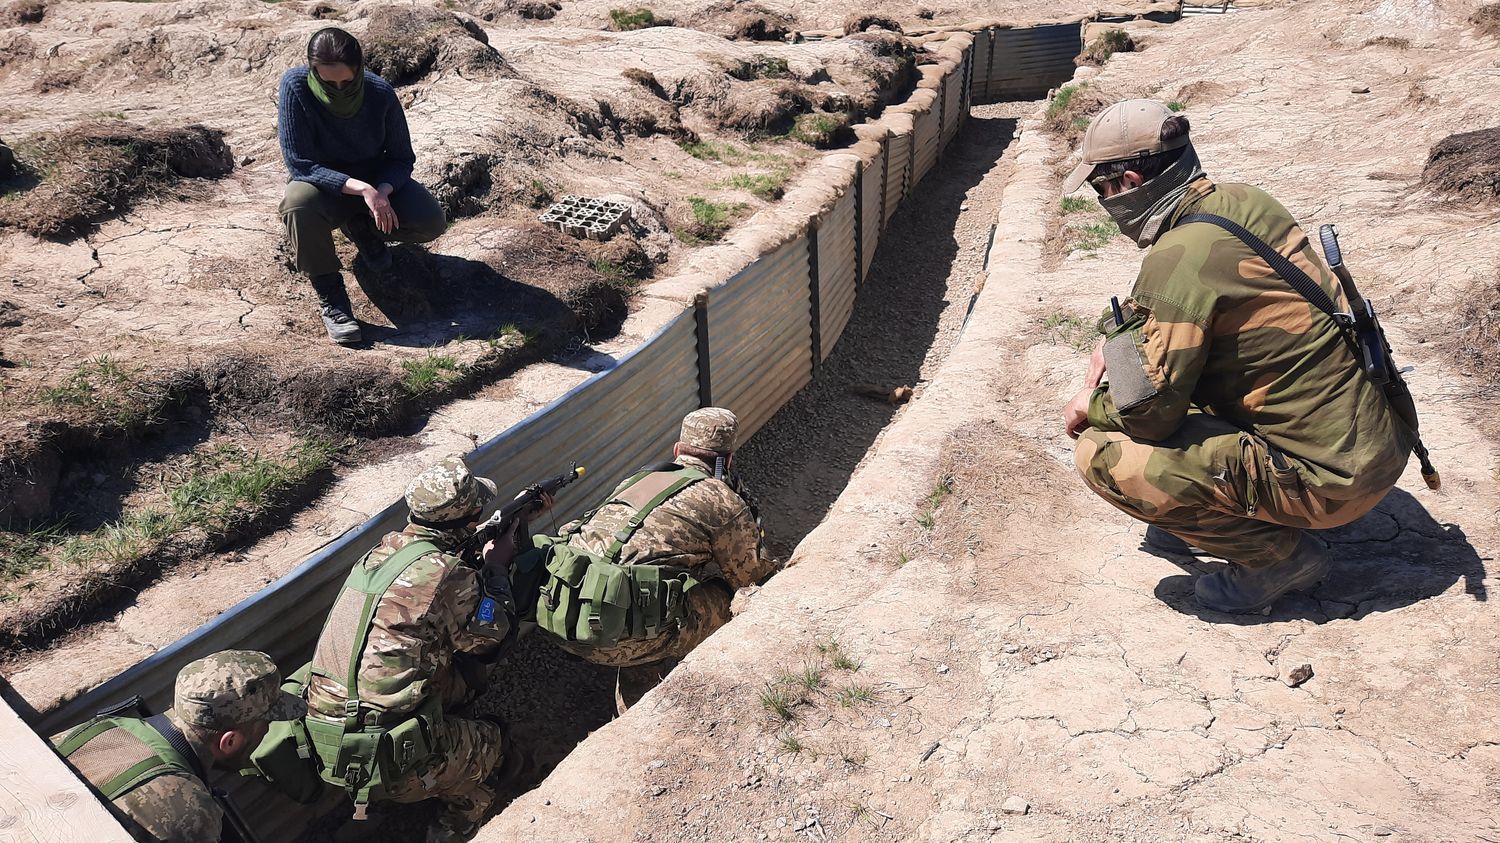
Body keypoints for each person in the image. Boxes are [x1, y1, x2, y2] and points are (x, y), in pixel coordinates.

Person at [1059, 99, 1414, 615]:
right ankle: (1211, 514)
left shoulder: (1178, 256)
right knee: (1169, 386)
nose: (1103, 203)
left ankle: (1277, 559)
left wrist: (1090, 402)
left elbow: (1151, 415)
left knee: (1102, 452)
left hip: (1334, 483)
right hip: (1376, 442)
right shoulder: (1244, 202)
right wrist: (1119, 347)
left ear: (1128, 182)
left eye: (1100, 190)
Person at [302, 455, 548, 843]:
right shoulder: (448, 574)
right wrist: (498, 568)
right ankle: (456, 823)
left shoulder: (380, 555)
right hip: (389, 753)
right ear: (468, 519)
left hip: (329, 740)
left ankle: (378, 807)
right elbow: (494, 635)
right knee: (499, 745)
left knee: (454, 683)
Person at [541, 407, 775, 710]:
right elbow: (753, 578)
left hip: (563, 618)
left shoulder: (639, 478)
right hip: (613, 637)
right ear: (727, 460)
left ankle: (633, 700)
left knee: (645, 594)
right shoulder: (721, 499)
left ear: (677, 450)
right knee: (728, 594)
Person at [277, 27, 448, 345]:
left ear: (359, 70)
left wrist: (382, 190)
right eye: (328, 83)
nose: (339, 89)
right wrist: (361, 189)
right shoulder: (296, 87)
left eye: (347, 81)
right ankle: (332, 297)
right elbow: (300, 164)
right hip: (323, 187)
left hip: (374, 182)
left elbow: (401, 159)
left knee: (430, 220)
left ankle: (362, 228)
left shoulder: (379, 92)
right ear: (313, 72)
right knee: (296, 203)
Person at [51, 650, 306, 843]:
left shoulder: (97, 727)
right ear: (230, 741)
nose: (265, 733)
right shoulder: (191, 809)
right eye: (265, 726)